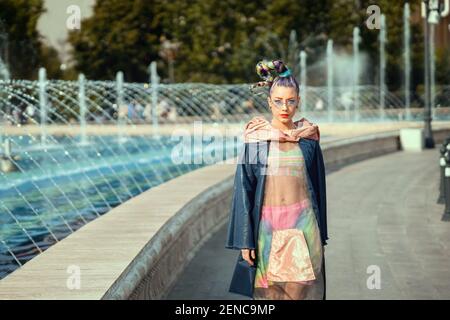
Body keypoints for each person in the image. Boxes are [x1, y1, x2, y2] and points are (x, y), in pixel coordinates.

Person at [225, 59, 328, 300]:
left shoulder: (308, 140)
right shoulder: (257, 140)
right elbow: (244, 191)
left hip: (303, 225)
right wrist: (244, 241)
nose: (285, 107)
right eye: (279, 101)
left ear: (298, 102)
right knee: (270, 294)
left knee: (297, 292)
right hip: (268, 226)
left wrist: (322, 234)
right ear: (269, 102)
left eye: (291, 101)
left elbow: (319, 190)